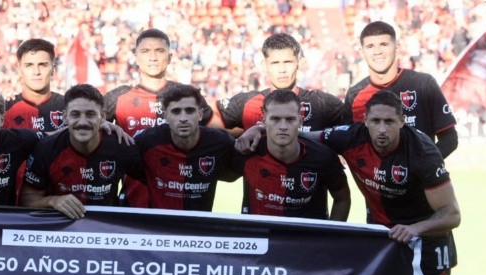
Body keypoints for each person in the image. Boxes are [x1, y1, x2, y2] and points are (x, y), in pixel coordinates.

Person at [319, 90, 461, 275]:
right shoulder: (350, 137)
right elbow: (299, 138)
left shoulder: (423, 152)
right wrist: (259, 131)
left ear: (402, 122)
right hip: (383, 233)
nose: (382, 129)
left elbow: (452, 214)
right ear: (365, 120)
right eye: (376, 121)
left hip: (427, 232)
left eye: (389, 121)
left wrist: (415, 228)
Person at [104, 28, 213, 207]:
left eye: (160, 51)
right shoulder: (118, 97)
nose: (153, 57)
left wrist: (253, 130)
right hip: (134, 202)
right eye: (145, 51)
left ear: (169, 57)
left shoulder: (187, 96)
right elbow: (85, 126)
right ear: (135, 56)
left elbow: (215, 132)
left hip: (181, 202)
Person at [21, 84, 140, 219]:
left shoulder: (121, 145)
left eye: (90, 114)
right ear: (65, 117)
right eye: (75, 114)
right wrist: (53, 201)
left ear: (102, 116)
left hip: (106, 228)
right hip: (59, 230)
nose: (82, 122)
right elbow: (27, 198)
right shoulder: (47, 148)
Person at [345, 21, 458, 158]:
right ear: (362, 51)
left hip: (421, 178)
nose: (377, 52)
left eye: (384, 45)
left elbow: (450, 138)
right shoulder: (354, 95)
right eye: (370, 46)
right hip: (379, 179)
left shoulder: (423, 84)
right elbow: (350, 145)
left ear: (397, 47)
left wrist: (425, 164)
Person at [231, 89, 350, 220]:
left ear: (300, 121)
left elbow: (342, 198)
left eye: (290, 119)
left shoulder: (323, 157)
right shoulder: (247, 152)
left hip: (307, 239)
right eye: (275, 119)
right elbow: (224, 176)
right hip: (263, 237)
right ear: (264, 120)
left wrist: (330, 237)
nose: (283, 126)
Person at [132, 83, 239, 212]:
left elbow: (236, 170)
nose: (183, 118)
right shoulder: (147, 141)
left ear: (200, 114)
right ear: (165, 116)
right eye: (176, 111)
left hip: (198, 228)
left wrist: (256, 131)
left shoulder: (221, 142)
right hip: (159, 227)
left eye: (190, 110)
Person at [215, 33, 344, 135]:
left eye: (287, 62)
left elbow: (358, 132)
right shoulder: (246, 103)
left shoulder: (321, 103)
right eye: (275, 63)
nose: (282, 70)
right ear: (265, 65)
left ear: (299, 63)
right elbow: (207, 119)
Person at [2, 39, 66, 202]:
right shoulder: (4, 108)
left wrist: (107, 124)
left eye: (43, 65)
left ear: (53, 69)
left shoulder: (69, 108)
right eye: (29, 65)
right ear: (19, 70)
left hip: (60, 202)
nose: (36, 71)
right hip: (11, 202)